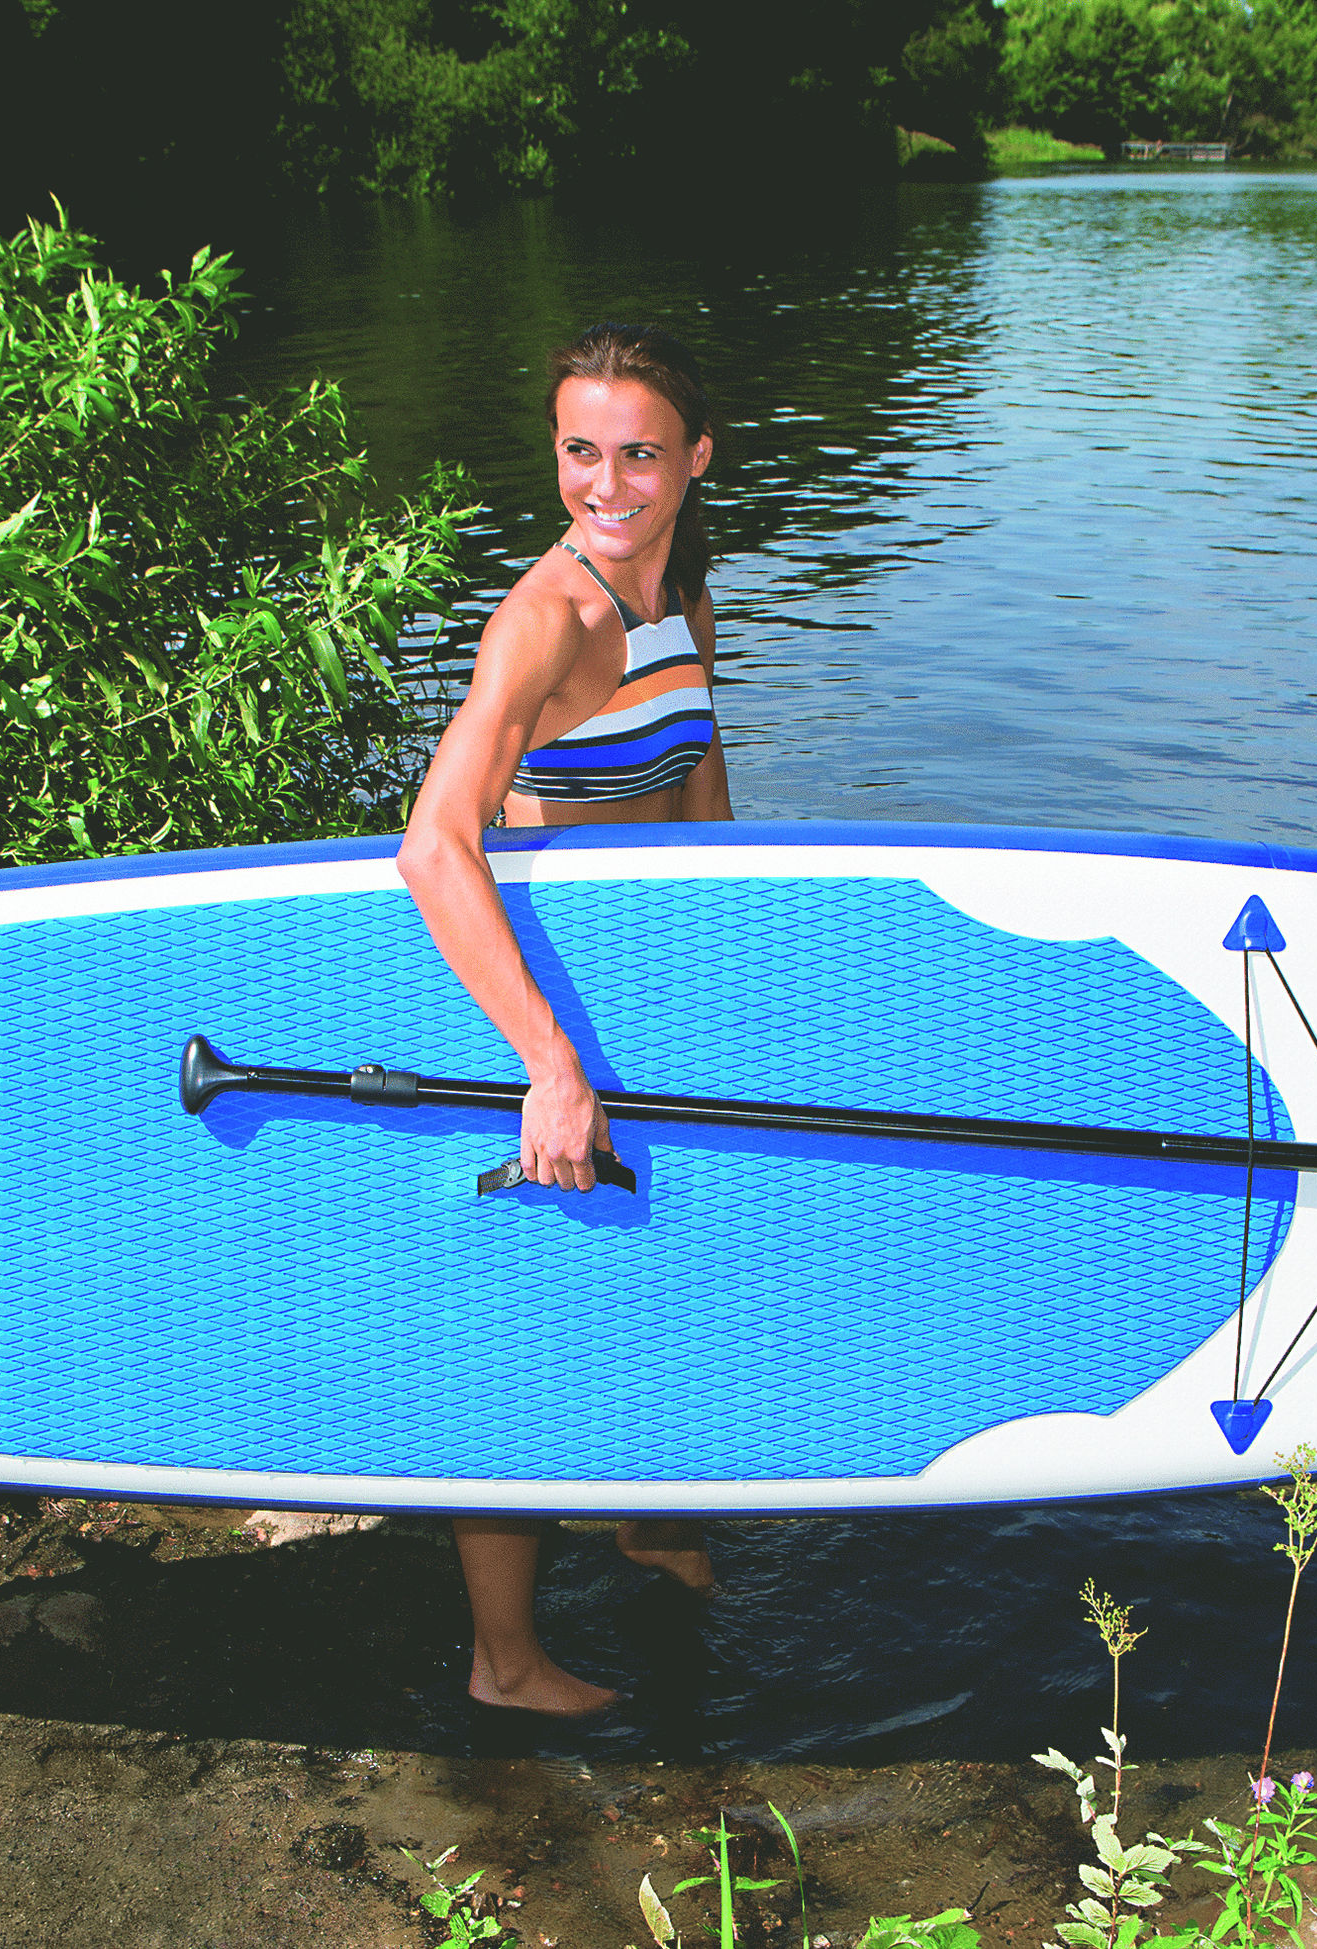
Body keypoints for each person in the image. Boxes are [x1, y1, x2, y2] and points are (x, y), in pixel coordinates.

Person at [396, 322, 730, 1716]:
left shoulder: (685, 593)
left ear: (694, 460)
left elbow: (704, 792)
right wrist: (546, 1062)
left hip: (643, 994)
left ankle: (643, 1513)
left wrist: (745, 971)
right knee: (529, 1321)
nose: (608, 481)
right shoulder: (545, 620)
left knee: (656, 1275)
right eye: (581, 451)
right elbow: (431, 844)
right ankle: (502, 1660)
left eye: (640, 452)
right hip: (534, 1007)